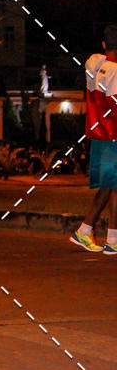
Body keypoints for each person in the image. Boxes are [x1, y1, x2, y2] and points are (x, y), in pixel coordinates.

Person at [71, 24, 117, 254]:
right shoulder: (116, 71)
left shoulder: (95, 64)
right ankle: (109, 239)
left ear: (103, 44)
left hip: (99, 133)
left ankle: (86, 231)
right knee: (113, 187)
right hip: (112, 134)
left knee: (110, 187)